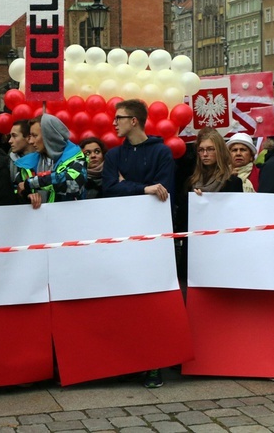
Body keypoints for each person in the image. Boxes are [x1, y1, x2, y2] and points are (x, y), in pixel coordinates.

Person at [101, 99, 175, 389]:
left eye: (119, 118)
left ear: (135, 121)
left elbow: (163, 191)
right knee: (123, 303)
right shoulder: (114, 155)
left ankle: (154, 365)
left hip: (153, 238)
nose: (114, 123)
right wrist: (142, 188)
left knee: (152, 303)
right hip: (121, 235)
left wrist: (126, 185)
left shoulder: (161, 152)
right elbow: (109, 188)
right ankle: (128, 362)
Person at [15, 114, 87, 209]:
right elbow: (15, 189)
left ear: (50, 136)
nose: (30, 141)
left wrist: (31, 183)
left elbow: (73, 183)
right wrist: (26, 195)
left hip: (67, 220)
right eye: (30, 136)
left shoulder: (76, 157)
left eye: (35, 136)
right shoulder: (27, 163)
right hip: (36, 221)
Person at [8, 120, 32, 184]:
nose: (10, 141)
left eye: (14, 136)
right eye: (10, 136)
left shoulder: (44, 161)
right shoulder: (9, 161)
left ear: (28, 138)